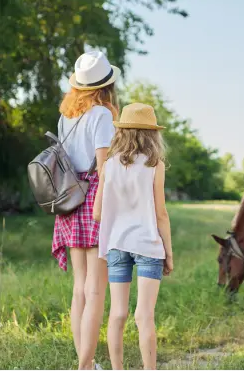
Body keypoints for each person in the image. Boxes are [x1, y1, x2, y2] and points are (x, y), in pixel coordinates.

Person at [51, 50, 120, 370]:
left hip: (67, 200)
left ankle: (87, 363)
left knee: (80, 287)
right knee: (96, 291)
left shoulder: (66, 116)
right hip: (93, 199)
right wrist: (106, 209)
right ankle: (85, 365)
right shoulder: (102, 115)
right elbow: (104, 168)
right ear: (106, 86)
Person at [93, 102, 174, 371]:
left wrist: (120, 215)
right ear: (152, 134)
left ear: (122, 132)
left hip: (117, 245)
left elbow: (97, 213)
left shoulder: (109, 165)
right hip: (148, 244)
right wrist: (168, 253)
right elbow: (161, 214)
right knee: (144, 315)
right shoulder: (155, 165)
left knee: (117, 313)